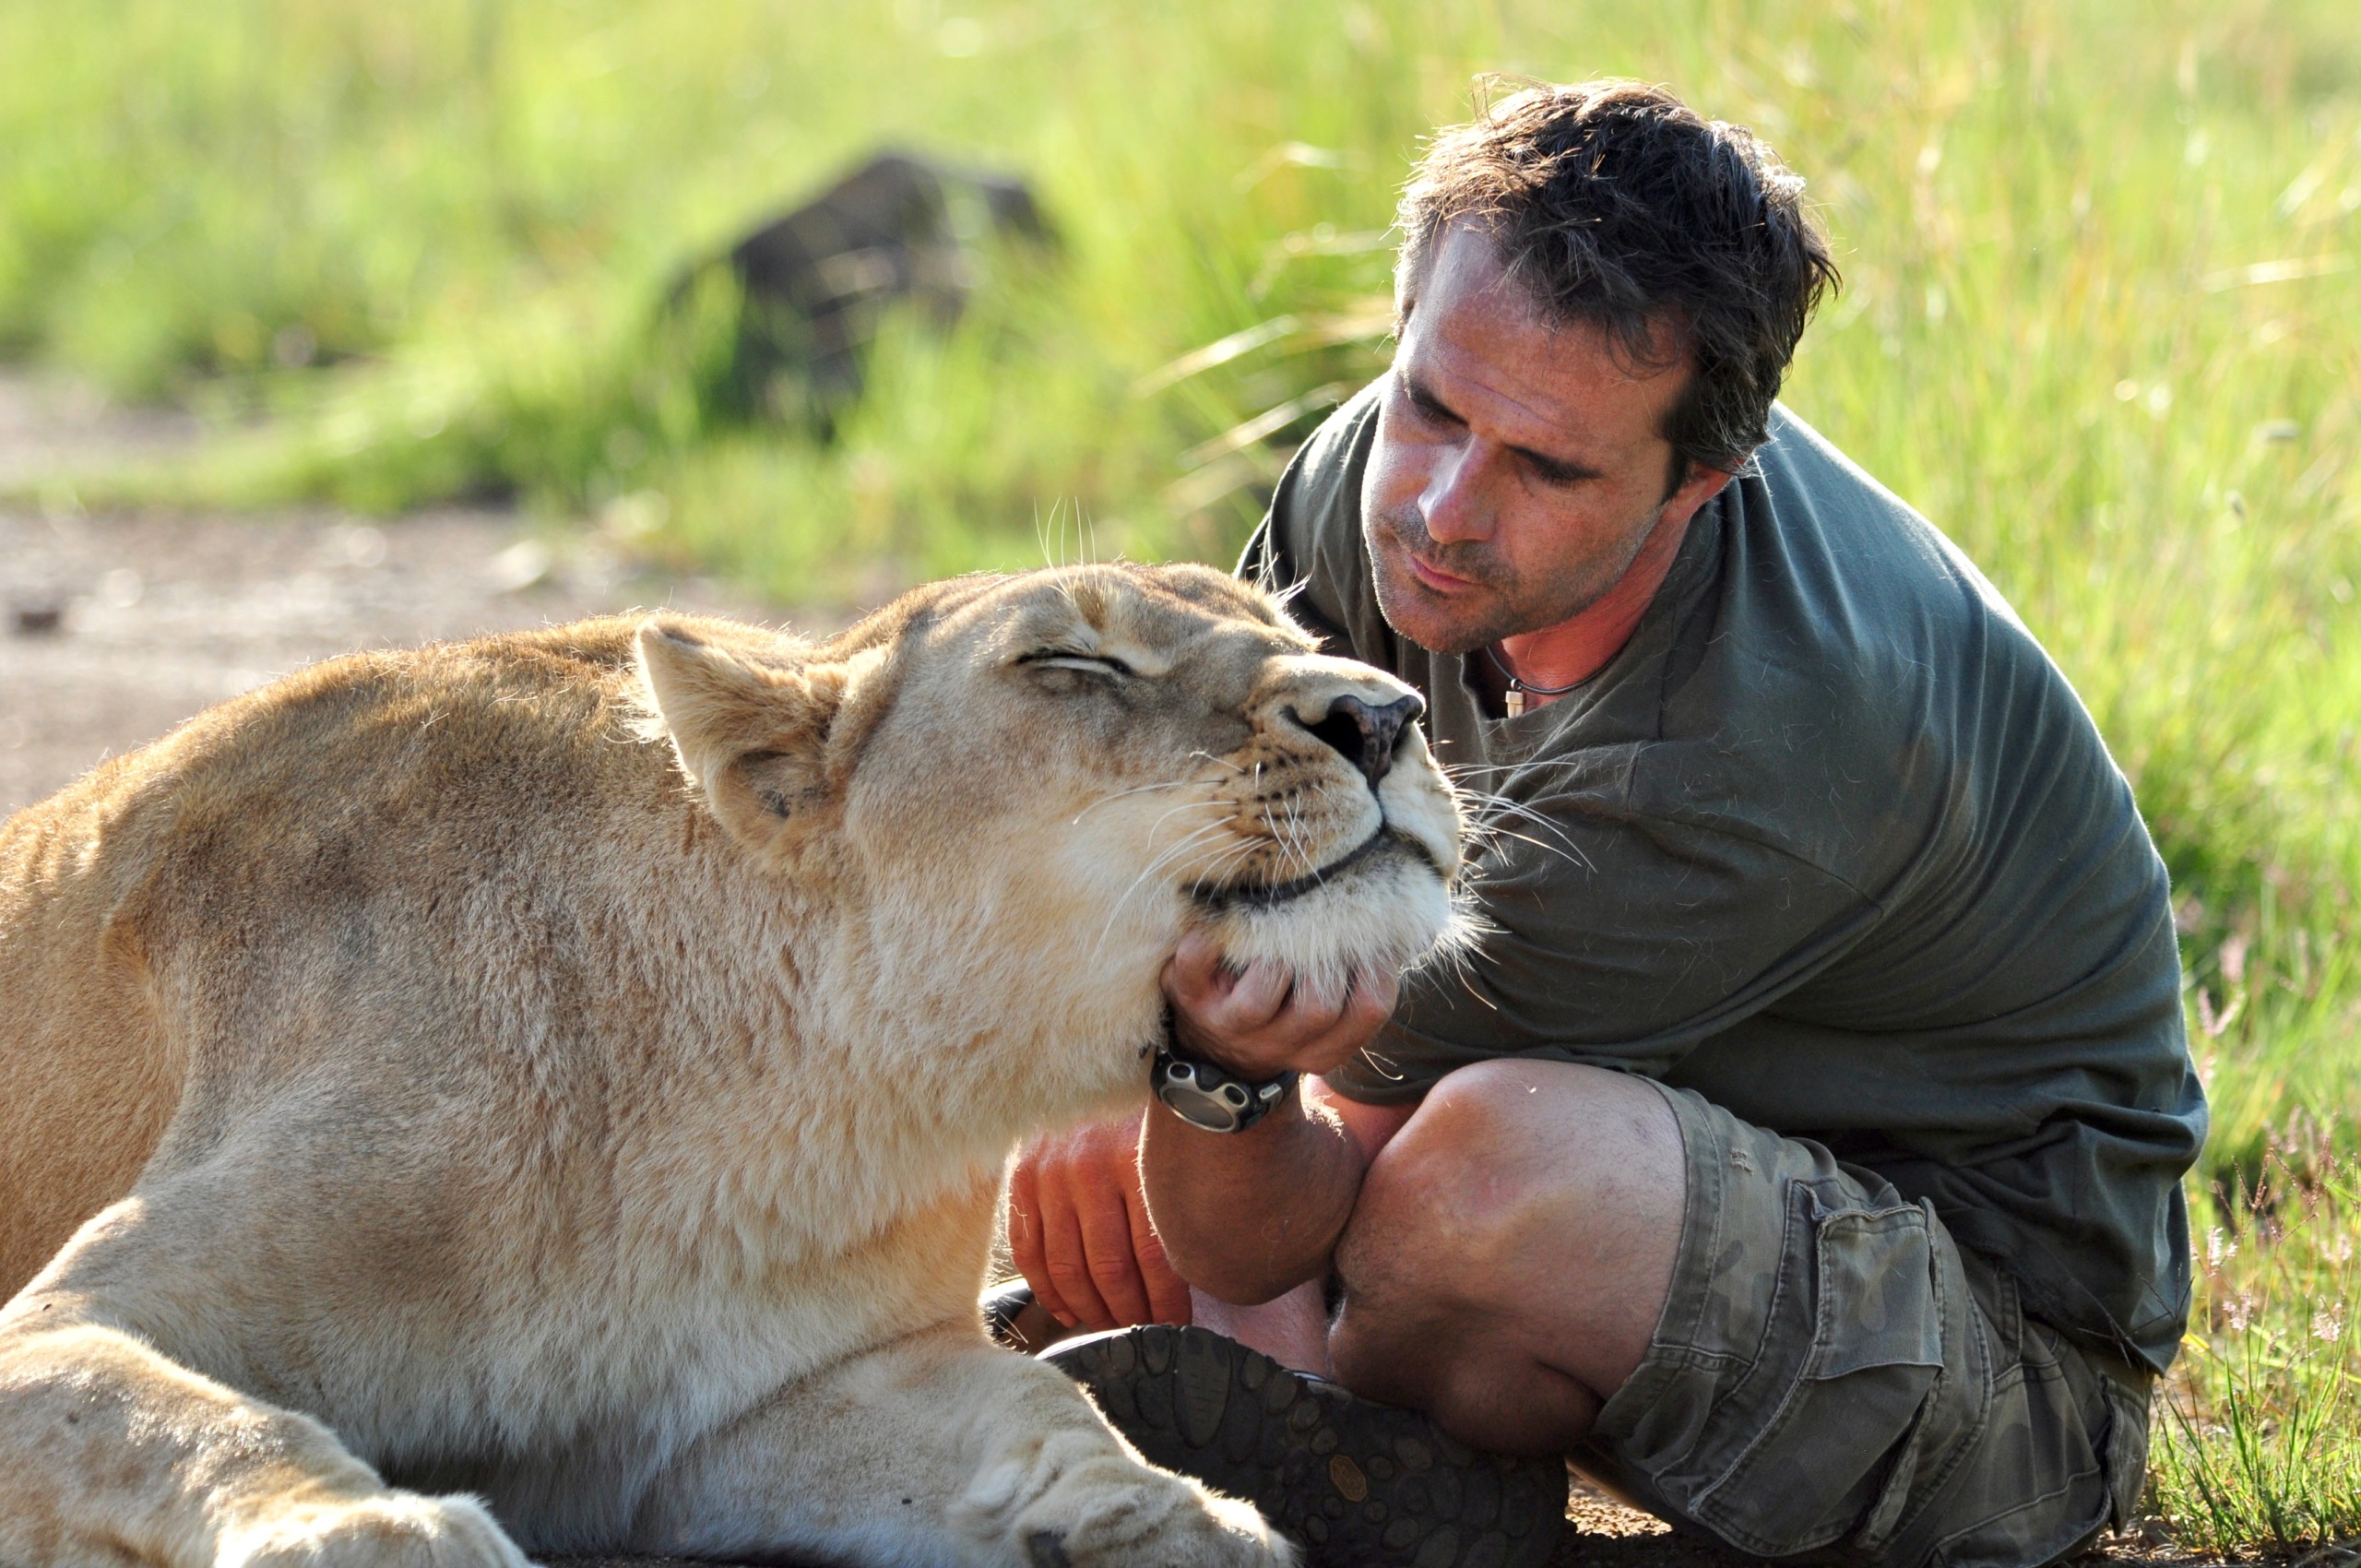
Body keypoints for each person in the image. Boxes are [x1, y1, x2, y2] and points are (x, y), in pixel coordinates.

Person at [1001, 79, 2206, 1568]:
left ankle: (1334, 1450)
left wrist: (1183, 1091)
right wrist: (1127, 1077)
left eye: (1549, 468)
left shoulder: (1754, 748)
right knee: (1125, 1103)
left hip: (2006, 1360)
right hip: (1686, 1170)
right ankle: (1310, 1429)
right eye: (1431, 404)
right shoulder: (1363, 494)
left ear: (1701, 478)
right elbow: (1201, 899)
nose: (1441, 507)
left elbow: (1291, 1196)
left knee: (1473, 1194)